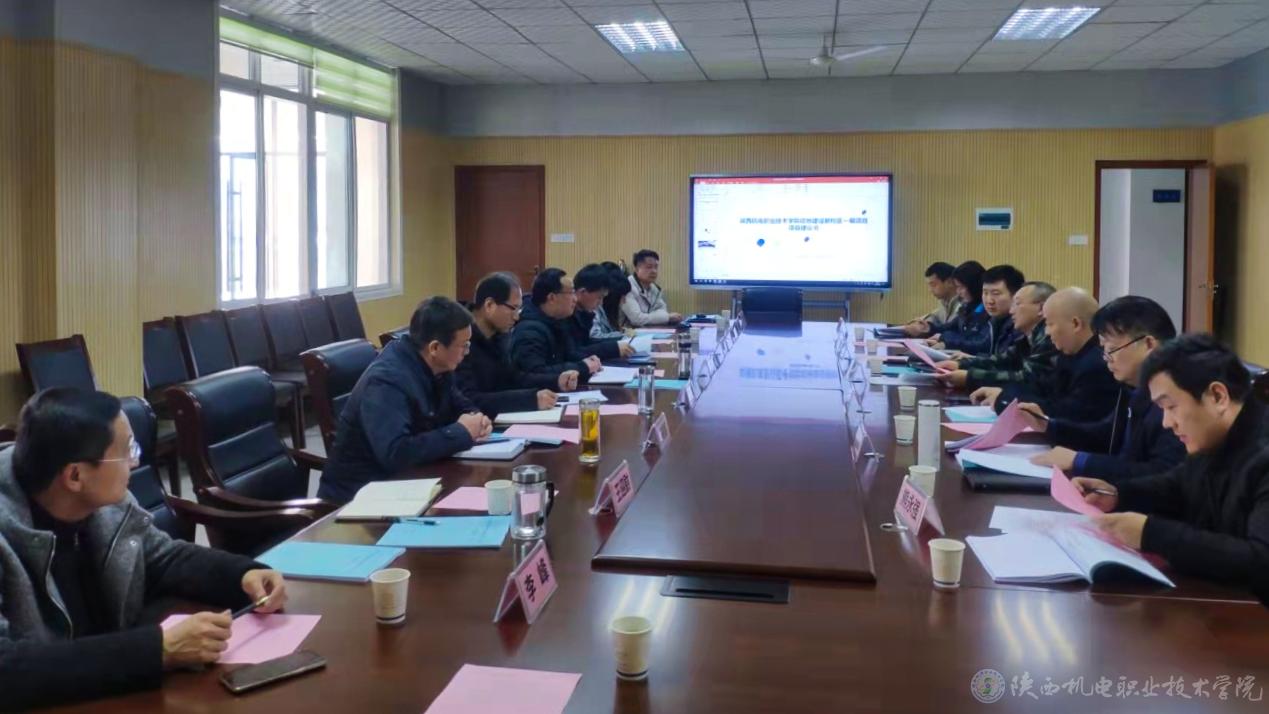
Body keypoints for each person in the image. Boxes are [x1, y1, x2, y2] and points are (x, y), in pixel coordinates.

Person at [0, 388, 288, 710]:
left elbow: (162, 557)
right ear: (75, 475)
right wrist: (159, 650)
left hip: (108, 690)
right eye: (127, 452)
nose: (136, 462)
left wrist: (243, 574)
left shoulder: (103, 501)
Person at [1072, 334, 1269, 601]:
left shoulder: (1262, 453)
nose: (1167, 422)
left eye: (1171, 407)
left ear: (1217, 396)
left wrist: (1151, 534)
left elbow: (1261, 561)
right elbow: (1177, 485)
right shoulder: (1215, 438)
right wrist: (1118, 494)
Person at [319, 297, 493, 503]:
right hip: (360, 497)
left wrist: (477, 420)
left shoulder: (438, 367)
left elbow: (460, 404)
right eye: (463, 345)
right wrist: (461, 432)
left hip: (409, 482)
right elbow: (396, 453)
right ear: (435, 348)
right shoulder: (387, 382)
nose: (467, 352)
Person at [1023, 296, 1186, 484]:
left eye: (1112, 350)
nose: (1106, 359)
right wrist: (1050, 426)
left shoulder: (1176, 397)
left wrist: (1081, 461)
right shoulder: (1135, 388)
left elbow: (1164, 472)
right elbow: (1107, 433)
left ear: (1148, 344)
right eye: (1104, 350)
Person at [971, 287, 1119, 422]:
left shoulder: (1097, 365)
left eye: (1049, 324)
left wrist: (1005, 400)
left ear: (1075, 324)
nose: (1047, 332)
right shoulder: (1070, 355)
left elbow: (1064, 413)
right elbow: (1042, 389)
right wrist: (1004, 393)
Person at [455, 272, 579, 418]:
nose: (517, 316)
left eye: (519, 309)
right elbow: (469, 399)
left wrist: (556, 380)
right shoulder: (460, 341)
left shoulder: (499, 337)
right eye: (513, 308)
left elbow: (514, 378)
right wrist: (529, 400)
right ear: (489, 305)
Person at [936, 281, 1056, 390]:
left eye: (1017, 304)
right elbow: (1001, 361)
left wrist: (970, 377)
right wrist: (960, 364)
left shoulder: (1050, 338)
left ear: (1041, 308)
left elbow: (1027, 380)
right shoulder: (1027, 338)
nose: (1011, 311)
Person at [511, 268, 603, 384]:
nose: (575, 299)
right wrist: (582, 367)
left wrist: (587, 360)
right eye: (571, 293)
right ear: (552, 298)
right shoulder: (529, 331)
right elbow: (534, 373)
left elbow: (569, 353)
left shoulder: (558, 320)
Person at [570, 263, 636, 361]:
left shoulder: (584, 312)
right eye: (599, 297)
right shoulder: (566, 315)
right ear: (583, 292)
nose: (601, 303)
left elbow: (586, 344)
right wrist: (614, 348)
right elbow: (573, 353)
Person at [927, 261, 988, 354]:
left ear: (973, 285)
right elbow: (949, 327)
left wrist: (945, 340)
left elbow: (978, 342)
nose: (958, 292)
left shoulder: (987, 310)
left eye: (961, 287)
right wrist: (928, 328)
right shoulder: (966, 308)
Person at [621, 249, 682, 327]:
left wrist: (651, 317)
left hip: (649, 330)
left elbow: (663, 311)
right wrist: (666, 317)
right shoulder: (627, 287)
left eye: (656, 267)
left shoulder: (655, 289)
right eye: (649, 267)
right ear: (636, 269)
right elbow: (637, 319)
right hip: (627, 332)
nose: (654, 271)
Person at [902, 261, 961, 336]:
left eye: (933, 285)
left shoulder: (965, 303)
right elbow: (935, 317)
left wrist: (927, 328)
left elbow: (952, 329)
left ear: (949, 282)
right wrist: (921, 324)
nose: (930, 290)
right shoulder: (944, 301)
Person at [592, 261, 631, 341]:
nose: (624, 301)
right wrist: (623, 335)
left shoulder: (605, 309)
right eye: (622, 297)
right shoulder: (593, 307)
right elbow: (594, 336)